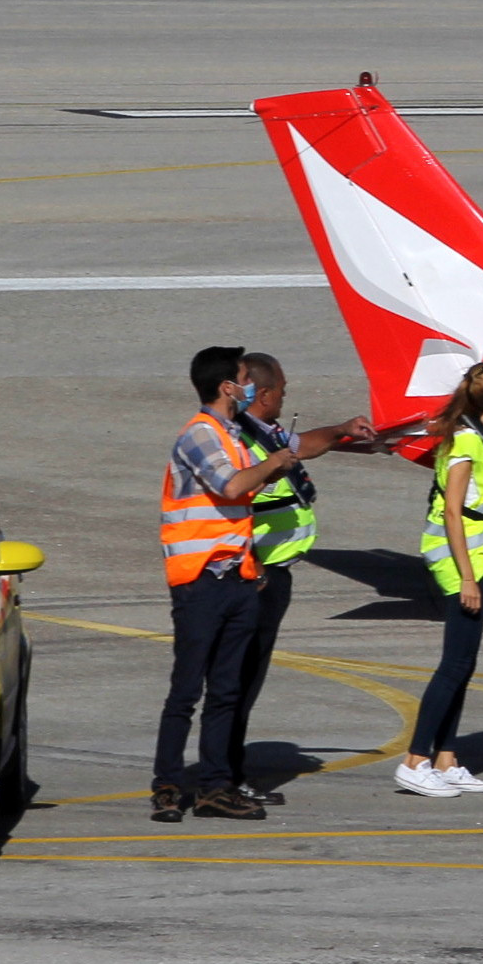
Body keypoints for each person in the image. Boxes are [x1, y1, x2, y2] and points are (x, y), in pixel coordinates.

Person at [152, 345, 300, 824]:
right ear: (227, 387)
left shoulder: (231, 434)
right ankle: (169, 784)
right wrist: (274, 463)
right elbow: (232, 487)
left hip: (236, 578)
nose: (249, 385)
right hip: (201, 582)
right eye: (242, 377)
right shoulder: (200, 434)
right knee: (186, 691)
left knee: (226, 691)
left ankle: (216, 786)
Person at [225, 351, 379, 807]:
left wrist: (340, 430)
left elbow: (303, 444)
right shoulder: (241, 443)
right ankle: (226, 777)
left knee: (246, 678)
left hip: (271, 576)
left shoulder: (261, 433)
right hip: (256, 577)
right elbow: (234, 504)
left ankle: (226, 771)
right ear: (266, 395)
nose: (285, 398)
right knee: (241, 679)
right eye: (283, 392)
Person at [401, 360, 483, 799]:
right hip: (461, 563)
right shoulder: (467, 442)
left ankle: (446, 758)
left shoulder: (477, 437)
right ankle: (415, 759)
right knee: (453, 664)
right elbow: (452, 511)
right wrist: (467, 577)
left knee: (464, 664)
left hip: (480, 559)